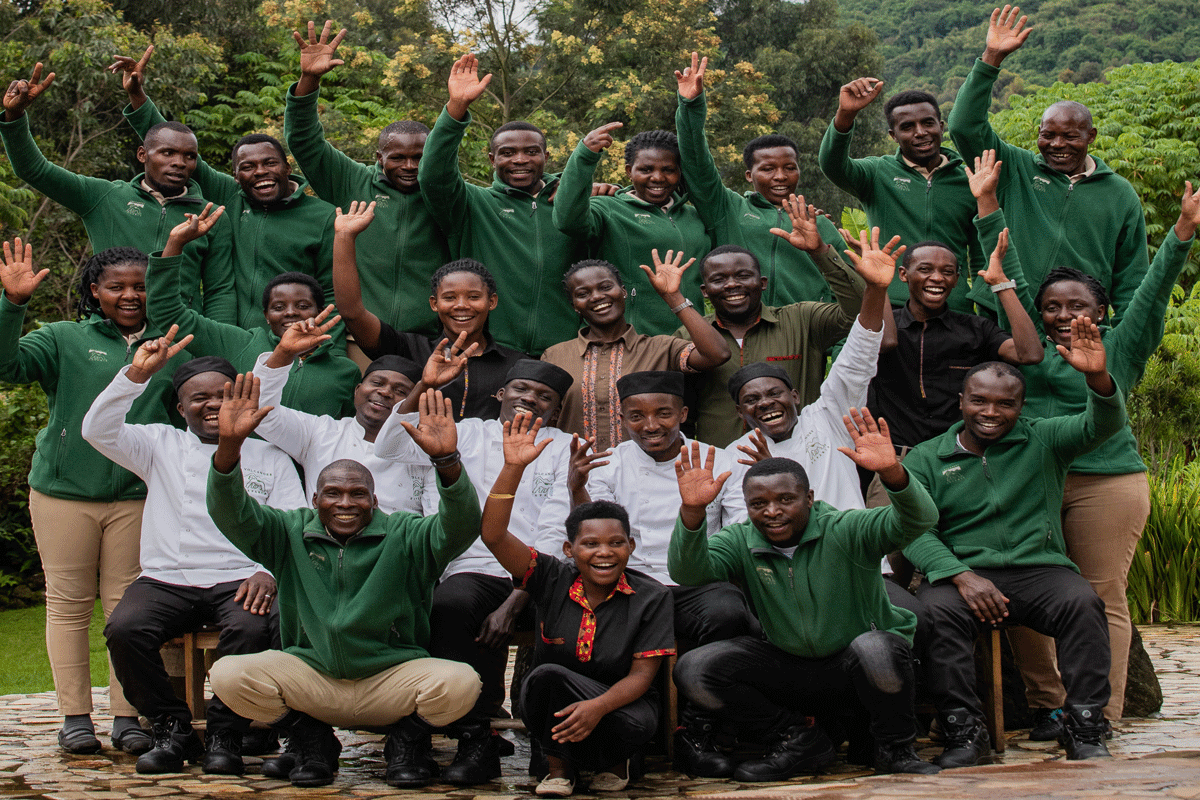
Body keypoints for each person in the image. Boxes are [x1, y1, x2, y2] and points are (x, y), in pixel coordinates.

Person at [980, 181, 1200, 734]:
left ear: (1100, 310)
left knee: (1103, 596)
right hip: (1035, 482)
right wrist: (988, 207)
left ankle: (1098, 712)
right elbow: (1009, 278)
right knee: (1023, 592)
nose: (1062, 314)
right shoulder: (1026, 344)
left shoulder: (1120, 343)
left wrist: (1181, 234)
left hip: (1108, 481)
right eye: (1051, 306)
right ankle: (1051, 704)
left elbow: (1151, 291)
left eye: (1077, 305)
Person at [205, 381, 485, 789]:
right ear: (315, 498)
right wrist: (229, 447)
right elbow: (232, 512)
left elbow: (460, 526)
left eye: (358, 493)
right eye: (332, 493)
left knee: (462, 683)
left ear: (374, 501)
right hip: (312, 676)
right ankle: (310, 740)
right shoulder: (288, 532)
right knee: (229, 673)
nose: (345, 503)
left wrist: (446, 461)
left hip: (391, 677)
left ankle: (407, 742)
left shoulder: (406, 535)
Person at [668, 420, 942, 779]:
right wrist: (692, 512)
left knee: (876, 648)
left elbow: (920, 519)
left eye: (786, 499)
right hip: (791, 666)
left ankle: (895, 748)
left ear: (809, 498)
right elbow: (688, 573)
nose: (772, 511)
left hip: (856, 664)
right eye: (759, 503)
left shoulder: (847, 528)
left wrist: (892, 472)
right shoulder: (740, 540)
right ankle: (797, 737)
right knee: (695, 669)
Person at [901, 332, 1127, 766]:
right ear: (961, 401)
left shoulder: (1044, 439)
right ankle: (964, 732)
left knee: (1083, 602)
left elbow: (1103, 424)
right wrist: (959, 574)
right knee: (936, 614)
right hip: (963, 573)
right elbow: (913, 529)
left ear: (1021, 407)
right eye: (980, 401)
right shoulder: (927, 458)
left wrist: (1097, 376)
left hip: (1040, 571)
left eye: (1005, 404)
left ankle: (1083, 723)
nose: (991, 412)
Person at [81, 341, 306, 776]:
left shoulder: (269, 455)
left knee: (251, 628)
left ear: (242, 399)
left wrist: (267, 571)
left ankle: (226, 734)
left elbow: (292, 522)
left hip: (240, 577)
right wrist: (135, 376)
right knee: (125, 628)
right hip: (168, 576)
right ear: (180, 408)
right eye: (198, 397)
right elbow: (97, 430)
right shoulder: (158, 444)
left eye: (223, 394)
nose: (212, 404)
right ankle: (170, 728)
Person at [0, 242, 185, 755]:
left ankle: (128, 717)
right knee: (68, 606)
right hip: (63, 494)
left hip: (136, 498)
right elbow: (6, 366)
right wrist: (11, 305)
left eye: (141, 285)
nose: (130, 295)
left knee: (126, 610)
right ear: (93, 291)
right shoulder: (63, 338)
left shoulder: (176, 343)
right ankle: (74, 718)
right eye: (116, 286)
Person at [373, 356, 575, 784]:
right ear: (501, 394)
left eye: (545, 397)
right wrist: (423, 385)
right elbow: (389, 446)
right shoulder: (462, 432)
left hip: (540, 572)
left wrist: (519, 597)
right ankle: (475, 738)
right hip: (472, 567)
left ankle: (551, 745)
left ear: (555, 411)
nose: (530, 400)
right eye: (521, 390)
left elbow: (557, 527)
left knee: (568, 621)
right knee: (451, 604)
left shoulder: (564, 446)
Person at [475, 413, 675, 796]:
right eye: (590, 544)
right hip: (559, 703)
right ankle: (559, 769)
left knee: (634, 720)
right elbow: (495, 535)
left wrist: (597, 707)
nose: (604, 553)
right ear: (570, 549)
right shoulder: (552, 577)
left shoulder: (652, 596)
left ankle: (617, 763)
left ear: (630, 547)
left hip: (622, 709)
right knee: (545, 679)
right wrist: (514, 467)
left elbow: (640, 679)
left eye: (616, 543)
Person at [111, 46, 341, 343]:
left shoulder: (322, 216)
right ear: (235, 175)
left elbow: (333, 292)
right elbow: (166, 143)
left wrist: (327, 347)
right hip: (238, 342)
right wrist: (137, 95)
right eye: (248, 167)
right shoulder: (230, 197)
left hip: (296, 340)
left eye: (270, 163)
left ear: (287, 166)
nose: (259, 172)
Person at [946, 5, 1149, 324]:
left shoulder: (1119, 194)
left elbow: (1131, 279)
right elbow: (963, 126)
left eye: (1070, 136)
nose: (1057, 144)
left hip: (1076, 326)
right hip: (1002, 314)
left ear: (1091, 136)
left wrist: (1122, 346)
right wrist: (991, 58)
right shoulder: (1013, 168)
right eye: (1048, 135)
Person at [864, 150, 1044, 507]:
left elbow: (1030, 354)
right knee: (891, 552)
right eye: (925, 270)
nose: (937, 278)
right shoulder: (888, 323)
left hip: (960, 461)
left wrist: (1002, 283)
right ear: (905, 275)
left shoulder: (974, 329)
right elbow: (883, 343)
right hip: (897, 461)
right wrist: (877, 284)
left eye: (947, 272)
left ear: (957, 279)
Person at [0, 63, 236, 324]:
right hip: (107, 332)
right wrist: (15, 117)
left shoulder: (211, 216)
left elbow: (220, 292)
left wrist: (214, 349)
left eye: (189, 156)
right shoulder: (105, 196)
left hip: (178, 337)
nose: (179, 162)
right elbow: (34, 170)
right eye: (168, 153)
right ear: (143, 155)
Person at [285, 21, 450, 344]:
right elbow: (304, 141)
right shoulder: (352, 180)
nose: (410, 166)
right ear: (379, 157)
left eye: (419, 157)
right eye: (398, 158)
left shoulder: (446, 194)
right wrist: (309, 80)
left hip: (431, 339)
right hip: (360, 335)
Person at [419, 53, 583, 355]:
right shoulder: (473, 205)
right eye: (508, 153)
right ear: (492, 159)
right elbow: (433, 176)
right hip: (489, 351)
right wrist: (456, 109)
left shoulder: (571, 207)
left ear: (547, 157)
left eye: (531, 151)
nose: (520, 159)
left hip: (564, 350)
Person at [678, 196, 866, 448]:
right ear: (705, 290)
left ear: (762, 283)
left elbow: (858, 311)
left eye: (744, 275)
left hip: (801, 460)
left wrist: (819, 252)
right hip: (724, 466)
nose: (732, 284)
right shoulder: (689, 336)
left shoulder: (802, 320)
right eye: (719, 279)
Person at [147, 205, 360, 418]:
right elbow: (167, 312)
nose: (290, 313)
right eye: (278, 307)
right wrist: (176, 243)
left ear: (319, 311)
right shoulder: (240, 343)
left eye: (303, 306)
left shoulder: (345, 372)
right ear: (266, 316)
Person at [673, 53, 848, 306]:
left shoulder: (820, 224)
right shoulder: (728, 209)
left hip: (807, 333)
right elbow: (697, 164)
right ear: (749, 175)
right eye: (768, 169)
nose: (780, 176)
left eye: (789, 167)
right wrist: (690, 107)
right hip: (743, 329)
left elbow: (847, 288)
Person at [332, 201, 528, 420]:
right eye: (449, 298)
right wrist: (344, 237)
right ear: (434, 304)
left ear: (491, 302)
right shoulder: (408, 349)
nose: (461, 305)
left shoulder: (517, 365)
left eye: (473, 297)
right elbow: (352, 312)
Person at [818, 78, 981, 313]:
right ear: (893, 135)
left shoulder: (968, 180)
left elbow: (980, 256)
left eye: (928, 123)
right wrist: (845, 115)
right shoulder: (876, 173)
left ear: (941, 126)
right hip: (892, 307)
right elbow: (833, 165)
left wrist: (983, 310)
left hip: (954, 310)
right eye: (907, 127)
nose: (920, 133)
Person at [540, 253, 730, 452]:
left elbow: (717, 354)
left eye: (605, 287)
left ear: (622, 291)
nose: (596, 296)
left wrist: (673, 297)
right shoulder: (554, 356)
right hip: (574, 474)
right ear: (574, 306)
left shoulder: (661, 348)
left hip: (644, 474)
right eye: (583, 293)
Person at [552, 124, 711, 335]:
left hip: (690, 340)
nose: (657, 178)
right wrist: (585, 155)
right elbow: (567, 220)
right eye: (646, 169)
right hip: (632, 341)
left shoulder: (694, 217)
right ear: (629, 171)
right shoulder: (608, 208)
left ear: (679, 173)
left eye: (668, 170)